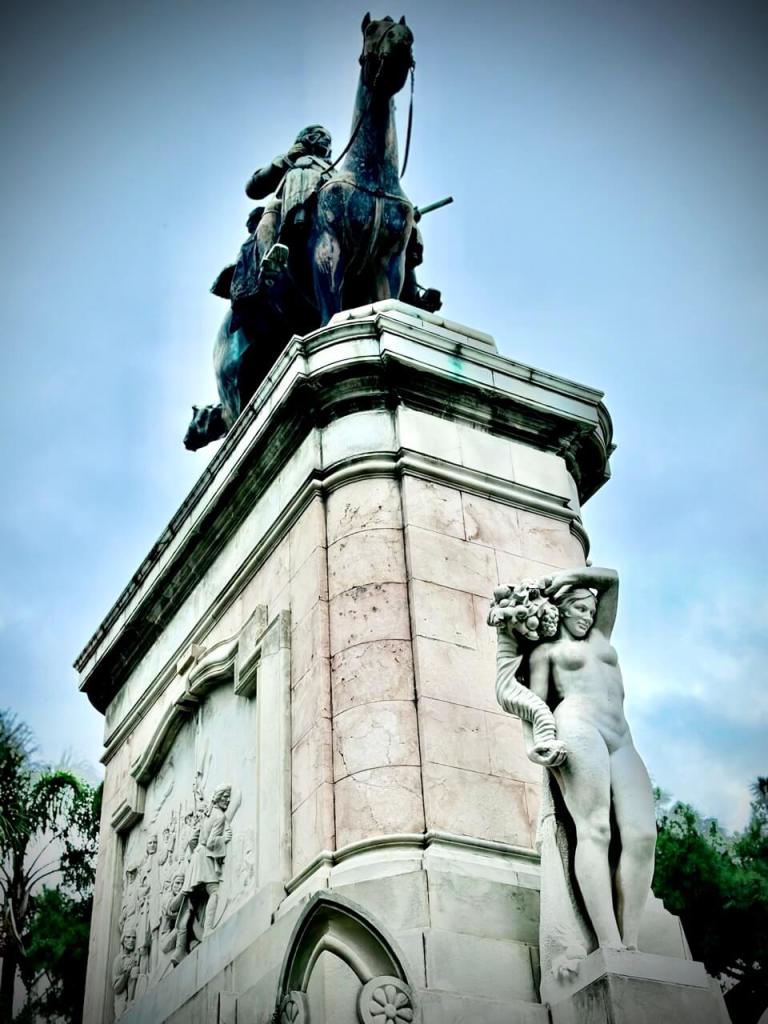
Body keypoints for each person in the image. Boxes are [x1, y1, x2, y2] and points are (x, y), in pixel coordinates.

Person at [489, 568, 656, 978]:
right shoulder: (546, 653)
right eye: (580, 609)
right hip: (578, 726)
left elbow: (612, 580)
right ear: (562, 610)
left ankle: (633, 939)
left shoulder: (600, 636)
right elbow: (534, 703)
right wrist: (537, 743)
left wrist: (565, 578)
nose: (587, 615)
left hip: (622, 738)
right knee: (594, 829)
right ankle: (610, 943)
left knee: (642, 834)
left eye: (590, 610)